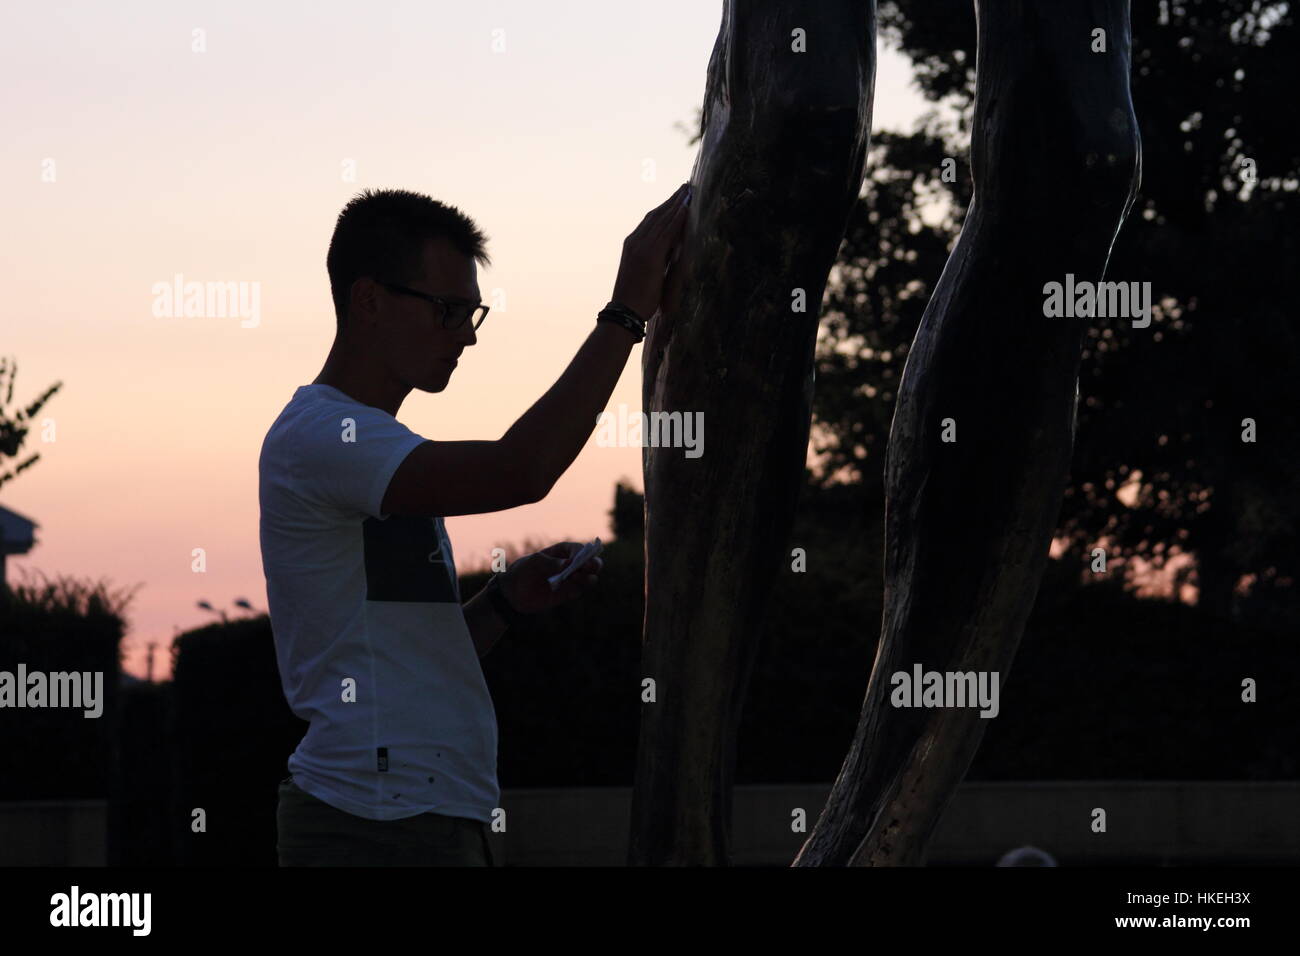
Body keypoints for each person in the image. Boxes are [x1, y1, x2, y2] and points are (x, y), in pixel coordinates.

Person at [260, 183, 691, 865]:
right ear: (369, 299)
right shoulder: (324, 438)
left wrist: (505, 603)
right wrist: (625, 313)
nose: (466, 334)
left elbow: (402, 657)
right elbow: (520, 470)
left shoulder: (369, 450)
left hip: (410, 814)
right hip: (374, 823)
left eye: (472, 312)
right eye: (448, 310)